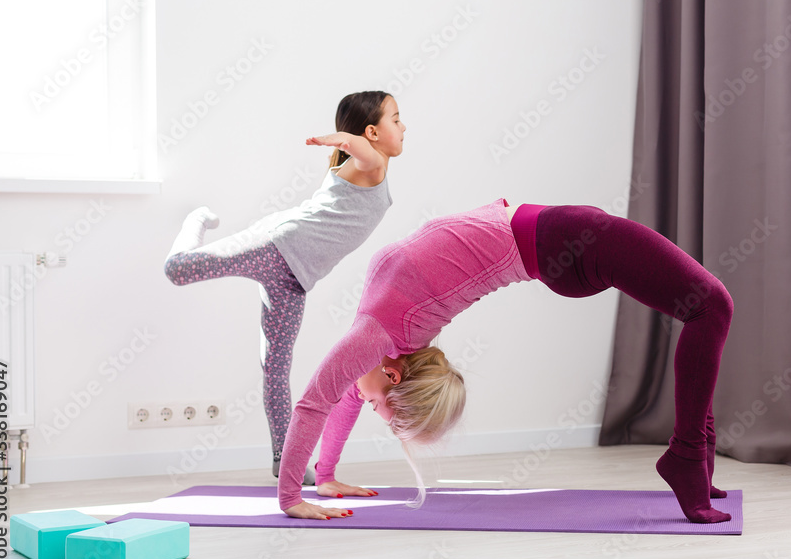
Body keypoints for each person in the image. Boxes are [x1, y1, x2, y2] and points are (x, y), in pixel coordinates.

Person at [277, 199, 734, 524]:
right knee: (710, 306)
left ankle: (694, 458)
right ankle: (690, 458)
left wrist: (294, 495)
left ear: (394, 374)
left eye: (380, 410)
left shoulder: (377, 332)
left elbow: (318, 401)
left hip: (563, 239)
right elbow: (346, 395)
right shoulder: (386, 336)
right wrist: (327, 476)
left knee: (708, 308)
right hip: (564, 243)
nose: (363, 403)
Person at [163, 91, 405, 489]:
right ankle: (196, 220)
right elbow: (360, 146)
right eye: (396, 119)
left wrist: (343, 143)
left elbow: (358, 146)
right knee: (177, 269)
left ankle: (282, 458)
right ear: (373, 131)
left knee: (275, 369)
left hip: (294, 281)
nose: (404, 126)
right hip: (276, 247)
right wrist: (339, 139)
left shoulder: (368, 169)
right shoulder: (371, 162)